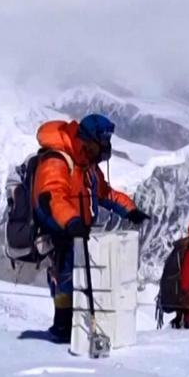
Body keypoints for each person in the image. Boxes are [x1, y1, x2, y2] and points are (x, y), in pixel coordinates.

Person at [33, 113, 150, 341]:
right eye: (103, 142)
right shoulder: (58, 161)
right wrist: (71, 221)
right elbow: (53, 195)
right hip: (60, 229)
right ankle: (63, 327)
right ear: (88, 141)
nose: (106, 147)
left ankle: (73, 326)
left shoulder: (87, 165)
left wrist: (129, 209)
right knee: (66, 274)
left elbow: (104, 193)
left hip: (77, 229)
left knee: (78, 276)